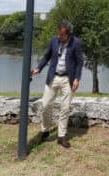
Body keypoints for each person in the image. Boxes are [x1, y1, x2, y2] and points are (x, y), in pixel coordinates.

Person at [30, 19, 83, 148]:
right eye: (58, 34)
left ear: (68, 34)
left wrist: (77, 78)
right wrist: (38, 68)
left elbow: (79, 62)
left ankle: (61, 136)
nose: (59, 37)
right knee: (45, 105)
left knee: (65, 107)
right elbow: (46, 56)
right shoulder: (53, 40)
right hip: (53, 77)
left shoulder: (76, 43)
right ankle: (45, 131)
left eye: (62, 35)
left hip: (67, 79)